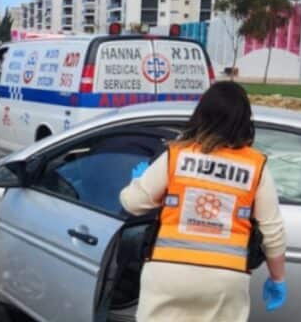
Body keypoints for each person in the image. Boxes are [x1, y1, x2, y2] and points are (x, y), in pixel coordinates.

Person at [119, 81, 287, 321]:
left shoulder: (177, 155)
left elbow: (132, 203)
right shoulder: (256, 166)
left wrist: (140, 183)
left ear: (201, 115)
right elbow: (273, 232)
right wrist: (278, 277)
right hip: (225, 278)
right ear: (244, 120)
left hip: (169, 272)